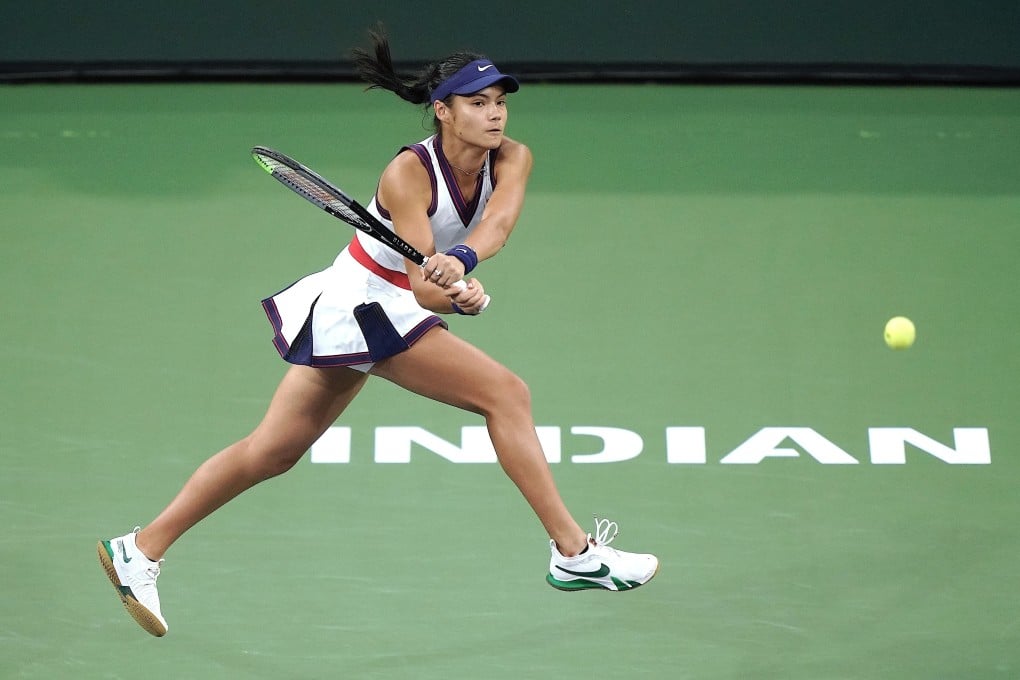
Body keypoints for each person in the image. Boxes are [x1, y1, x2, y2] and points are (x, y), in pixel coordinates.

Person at [97, 28, 658, 638]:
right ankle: (574, 555)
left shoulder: (514, 157)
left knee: (272, 452)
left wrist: (463, 265)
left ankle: (141, 548)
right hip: (364, 299)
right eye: (477, 102)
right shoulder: (407, 174)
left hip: (385, 298)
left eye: (500, 100)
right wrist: (447, 288)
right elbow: (418, 289)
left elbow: (496, 225)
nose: (494, 112)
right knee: (506, 394)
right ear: (443, 111)